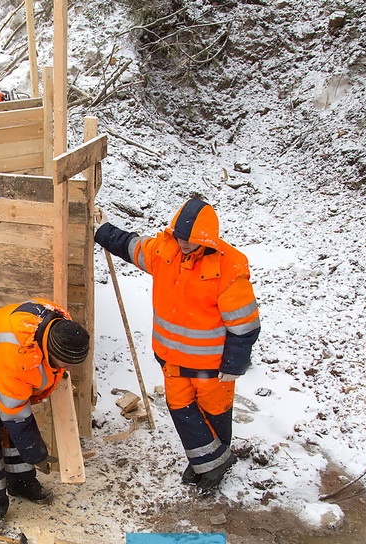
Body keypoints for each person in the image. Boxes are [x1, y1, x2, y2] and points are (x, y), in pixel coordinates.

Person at [94, 197, 260, 493]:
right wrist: (102, 230)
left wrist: (235, 363)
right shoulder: (164, 251)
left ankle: (209, 465)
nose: (183, 244)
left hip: (211, 366)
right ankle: (212, 460)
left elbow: (245, 325)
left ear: (205, 239)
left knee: (214, 414)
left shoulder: (229, 268)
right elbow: (130, 246)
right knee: (180, 408)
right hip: (171, 359)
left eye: (190, 240)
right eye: (180, 237)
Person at [0, 298, 90, 534]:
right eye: (66, 363)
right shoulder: (19, 356)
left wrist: (32, 448)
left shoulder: (61, 328)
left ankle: (22, 484)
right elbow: (14, 414)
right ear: (50, 351)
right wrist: (36, 453)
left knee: (15, 434)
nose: (69, 368)